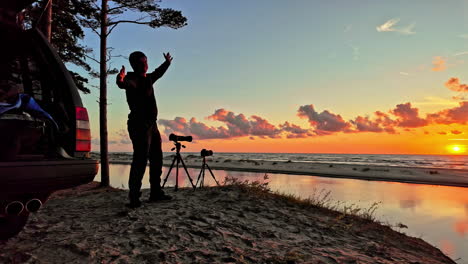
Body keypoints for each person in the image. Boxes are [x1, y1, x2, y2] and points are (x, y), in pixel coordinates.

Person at [116, 51, 173, 208]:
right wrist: (119, 79)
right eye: (141, 63)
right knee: (140, 160)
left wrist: (167, 63)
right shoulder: (131, 79)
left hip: (152, 125)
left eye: (146, 62)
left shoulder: (148, 79)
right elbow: (123, 84)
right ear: (134, 64)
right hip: (139, 125)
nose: (145, 65)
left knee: (157, 159)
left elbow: (158, 73)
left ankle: (156, 193)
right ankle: (134, 197)